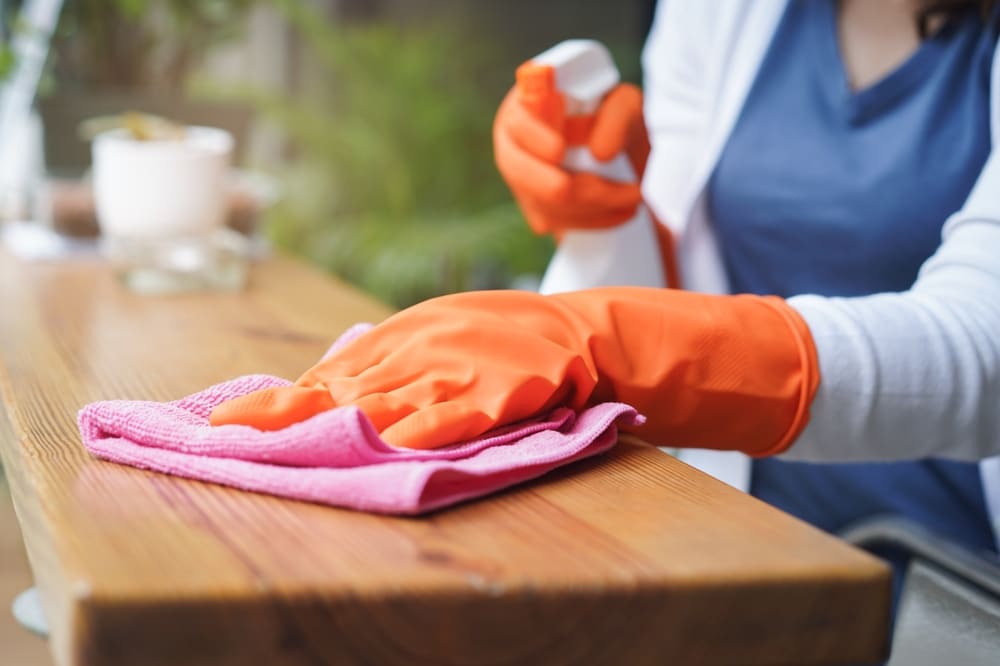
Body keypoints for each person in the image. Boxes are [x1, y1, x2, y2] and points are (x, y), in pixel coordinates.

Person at [211, 0, 1000, 611]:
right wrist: (609, 211)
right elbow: (684, 284)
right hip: (738, 528)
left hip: (948, 581)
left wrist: (614, 342)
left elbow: (984, 349)